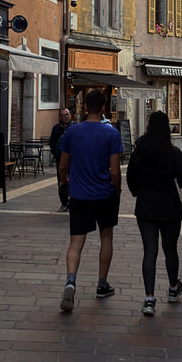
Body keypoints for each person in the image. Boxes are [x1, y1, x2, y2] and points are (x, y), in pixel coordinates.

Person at [57, 89, 123, 312]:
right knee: (106, 236)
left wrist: (63, 181)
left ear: (85, 107)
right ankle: (102, 284)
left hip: (79, 194)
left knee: (76, 242)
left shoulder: (72, 132)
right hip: (104, 194)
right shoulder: (111, 133)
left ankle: (70, 280)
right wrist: (118, 189)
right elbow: (115, 171)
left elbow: (63, 165)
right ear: (103, 108)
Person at [126, 110, 182, 317]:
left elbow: (130, 176)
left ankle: (149, 298)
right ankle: (173, 288)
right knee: (170, 248)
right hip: (169, 207)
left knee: (150, 251)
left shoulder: (140, 151)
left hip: (146, 206)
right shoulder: (173, 153)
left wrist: (138, 192)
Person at [48, 108, 73, 211]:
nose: (66, 116)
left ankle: (72, 202)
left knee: (73, 180)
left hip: (73, 159)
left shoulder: (75, 127)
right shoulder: (56, 128)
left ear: (70, 115)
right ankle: (63, 203)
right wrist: (57, 153)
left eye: (67, 114)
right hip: (61, 159)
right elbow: (52, 143)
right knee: (62, 180)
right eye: (63, 115)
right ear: (60, 117)